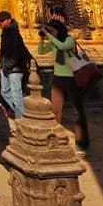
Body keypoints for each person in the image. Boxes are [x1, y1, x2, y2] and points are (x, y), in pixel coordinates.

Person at [37, 10, 88, 153]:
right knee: (55, 110)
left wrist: (48, 35)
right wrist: (42, 38)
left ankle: (82, 141)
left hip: (71, 77)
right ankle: (56, 138)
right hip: (58, 77)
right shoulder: (55, 42)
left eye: (53, 30)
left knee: (77, 110)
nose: (52, 33)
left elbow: (63, 47)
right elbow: (41, 51)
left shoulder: (69, 40)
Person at [0, 11, 31, 122]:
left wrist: (8, 65)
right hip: (6, 68)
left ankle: (21, 119)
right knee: (5, 92)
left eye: (2, 21)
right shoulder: (5, 33)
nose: (0, 23)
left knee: (16, 95)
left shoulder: (14, 34)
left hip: (14, 69)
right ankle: (21, 112)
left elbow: (17, 53)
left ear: (8, 20)